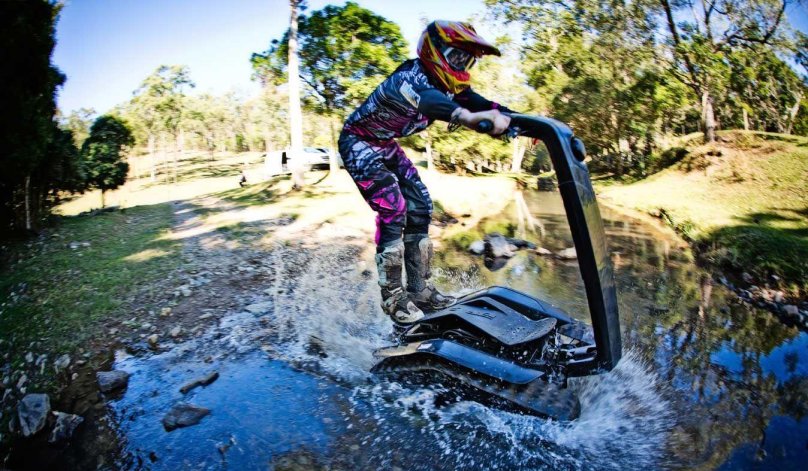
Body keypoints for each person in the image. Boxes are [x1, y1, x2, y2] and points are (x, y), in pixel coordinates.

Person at [338, 20, 514, 325]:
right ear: (435, 51)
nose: (461, 65)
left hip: (385, 143)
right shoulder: (410, 78)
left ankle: (419, 291)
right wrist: (467, 117)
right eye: (456, 56)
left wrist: (523, 121)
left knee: (421, 205)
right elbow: (430, 102)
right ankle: (393, 298)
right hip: (359, 140)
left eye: (466, 60)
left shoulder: (449, 87)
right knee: (394, 209)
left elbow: (482, 102)